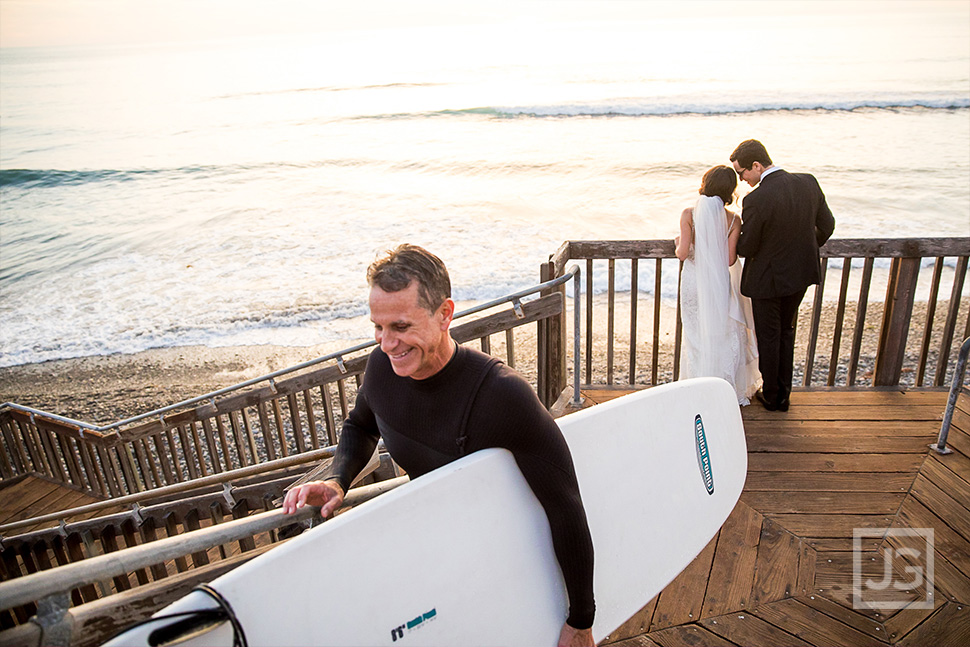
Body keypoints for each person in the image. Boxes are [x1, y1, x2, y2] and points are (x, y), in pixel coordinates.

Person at [282, 244, 596, 647]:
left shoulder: (501, 396)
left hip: (501, 563)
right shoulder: (382, 368)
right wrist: (339, 480)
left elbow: (565, 506)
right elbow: (360, 425)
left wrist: (581, 620)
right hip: (434, 553)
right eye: (377, 327)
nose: (386, 343)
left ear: (445, 314)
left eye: (400, 326)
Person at [730, 140, 835, 411]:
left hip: (767, 280)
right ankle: (783, 395)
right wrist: (804, 248)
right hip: (801, 274)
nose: (742, 181)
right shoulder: (808, 182)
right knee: (786, 332)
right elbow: (827, 225)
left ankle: (774, 396)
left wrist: (734, 236)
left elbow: (748, 246)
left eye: (743, 174)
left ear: (756, 165)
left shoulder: (756, 198)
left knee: (769, 336)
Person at [675, 165, 761, 405]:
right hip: (719, 283)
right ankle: (724, 388)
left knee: (694, 334)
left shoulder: (688, 214)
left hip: (693, 282)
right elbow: (730, 259)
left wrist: (678, 243)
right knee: (722, 333)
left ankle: (696, 387)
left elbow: (682, 254)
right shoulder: (734, 219)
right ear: (729, 189)